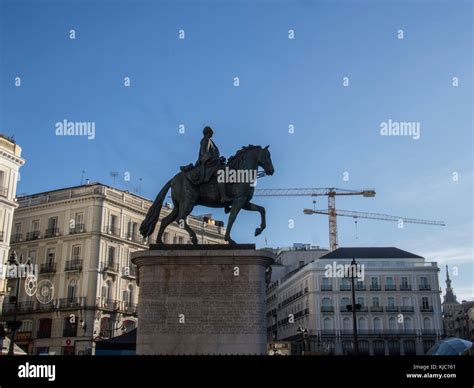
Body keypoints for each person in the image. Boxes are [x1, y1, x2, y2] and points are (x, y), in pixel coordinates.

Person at [196, 126, 231, 203]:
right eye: (211, 132)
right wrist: (215, 159)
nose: (213, 133)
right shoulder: (206, 140)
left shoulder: (209, 141)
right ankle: (223, 197)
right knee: (220, 175)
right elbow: (204, 153)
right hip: (210, 164)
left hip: (214, 163)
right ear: (208, 132)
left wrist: (219, 159)